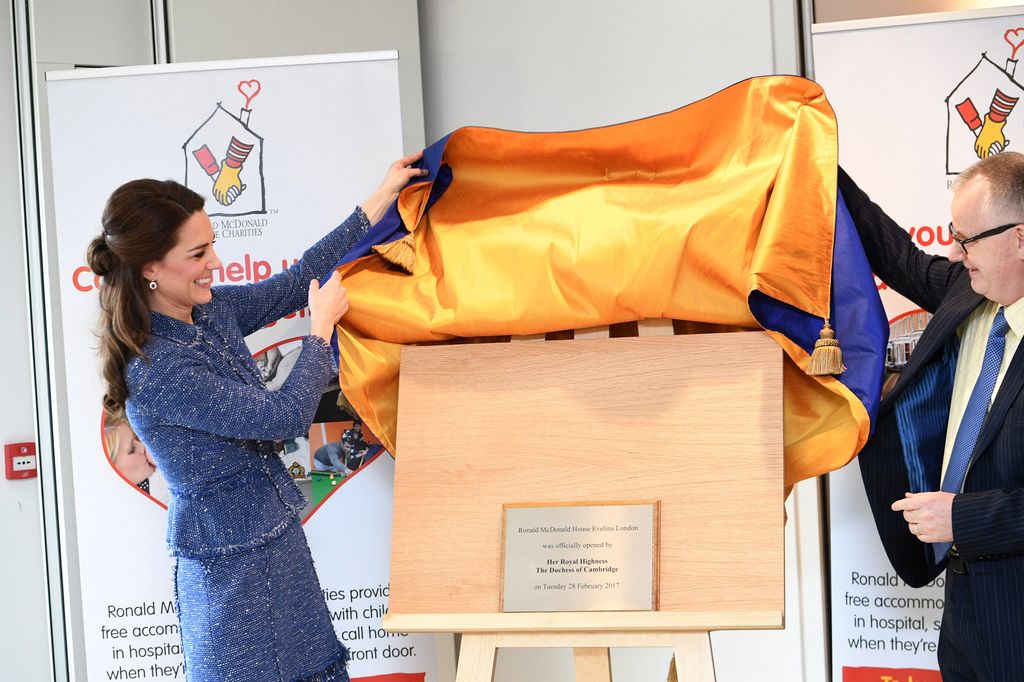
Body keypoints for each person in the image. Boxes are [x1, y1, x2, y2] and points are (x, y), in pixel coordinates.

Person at [86, 152, 426, 681]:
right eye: (199, 253)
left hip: (275, 547)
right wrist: (318, 335)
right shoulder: (158, 371)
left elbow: (295, 283)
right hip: (232, 573)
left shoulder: (208, 312)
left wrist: (379, 199)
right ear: (151, 268)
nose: (216, 263)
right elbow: (282, 417)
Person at [840, 153, 1024, 680]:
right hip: (962, 618)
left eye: (968, 240)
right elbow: (893, 251)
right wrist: (817, 162)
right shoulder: (967, 292)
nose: (956, 252)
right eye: (953, 235)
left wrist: (960, 518)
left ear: (1020, 238)